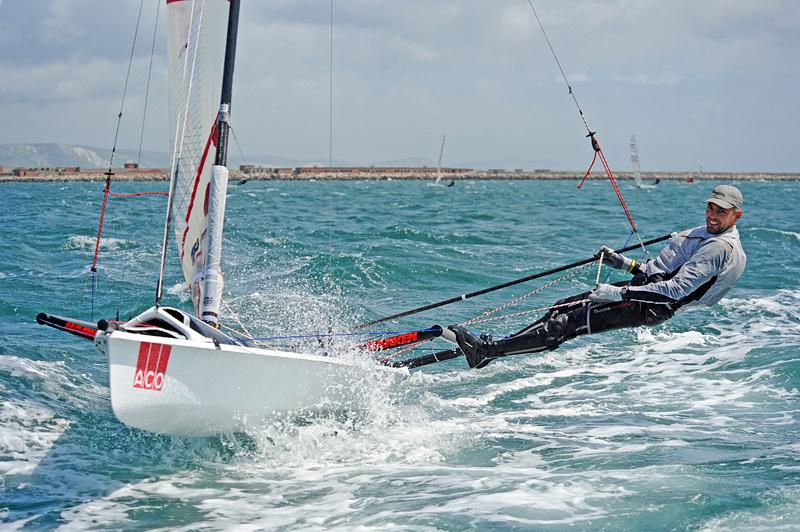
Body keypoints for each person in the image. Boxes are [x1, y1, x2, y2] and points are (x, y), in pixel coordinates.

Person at [450, 184, 747, 369]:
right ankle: (499, 346)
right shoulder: (702, 235)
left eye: (721, 211)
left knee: (566, 323)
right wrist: (623, 263)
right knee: (562, 306)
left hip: (648, 304)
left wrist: (620, 295)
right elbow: (656, 272)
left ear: (736, 216)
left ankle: (486, 351)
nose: (713, 214)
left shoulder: (718, 247)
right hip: (640, 292)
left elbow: (675, 290)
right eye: (710, 207)